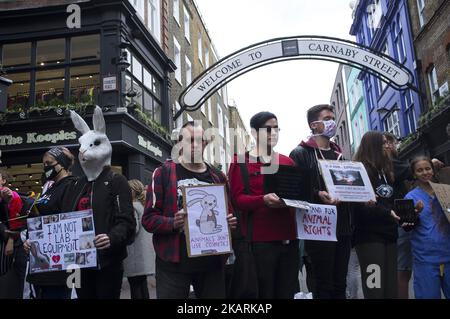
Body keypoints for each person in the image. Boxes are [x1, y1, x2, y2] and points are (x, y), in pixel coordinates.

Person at [142, 121, 237, 299]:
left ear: (206, 144)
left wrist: (230, 223)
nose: (194, 145)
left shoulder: (218, 177)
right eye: (189, 140)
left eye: (199, 140)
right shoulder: (163, 173)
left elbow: (228, 215)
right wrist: (172, 223)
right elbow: (148, 219)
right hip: (174, 263)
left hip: (211, 263)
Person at [60, 106, 136, 299]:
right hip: (78, 263)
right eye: (82, 147)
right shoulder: (76, 185)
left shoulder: (116, 181)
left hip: (106, 262)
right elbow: (64, 218)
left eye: (93, 144)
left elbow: (126, 221)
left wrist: (111, 238)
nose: (83, 151)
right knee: (80, 295)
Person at [229, 111, 300, 299]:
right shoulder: (240, 163)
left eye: (276, 129)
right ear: (254, 133)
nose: (273, 133)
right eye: (267, 129)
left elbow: (298, 196)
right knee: (263, 295)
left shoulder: (288, 162)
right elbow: (238, 200)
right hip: (259, 244)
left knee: (287, 293)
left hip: (289, 240)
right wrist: (263, 200)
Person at [290, 104, 352, 299]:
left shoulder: (340, 155)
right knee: (322, 284)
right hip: (319, 229)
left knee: (340, 282)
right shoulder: (300, 153)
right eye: (326, 119)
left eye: (332, 118)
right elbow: (295, 190)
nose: (332, 122)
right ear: (314, 125)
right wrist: (317, 194)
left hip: (342, 227)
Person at [23, 147, 77, 299]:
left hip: (63, 267)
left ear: (62, 164)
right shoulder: (49, 188)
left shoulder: (72, 185)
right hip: (42, 262)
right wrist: (30, 238)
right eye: (44, 164)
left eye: (49, 163)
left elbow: (67, 222)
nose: (45, 167)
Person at [353, 131, 401, 299]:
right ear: (373, 146)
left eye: (388, 142)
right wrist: (387, 212)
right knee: (375, 288)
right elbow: (361, 206)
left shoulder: (387, 171)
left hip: (389, 233)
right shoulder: (360, 171)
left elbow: (390, 200)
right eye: (383, 143)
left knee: (390, 289)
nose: (388, 146)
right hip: (369, 237)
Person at [404, 156, 450, 299]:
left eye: (427, 168)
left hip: (448, 256)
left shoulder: (445, 192)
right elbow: (407, 227)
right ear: (414, 174)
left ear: (433, 170)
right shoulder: (410, 197)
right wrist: (415, 212)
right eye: (420, 170)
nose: (425, 172)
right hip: (426, 260)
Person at [123, 179, 155, 299]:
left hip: (135, 255)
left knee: (135, 286)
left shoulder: (132, 207)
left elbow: (133, 229)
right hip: (144, 255)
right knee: (142, 286)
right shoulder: (144, 206)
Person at [0, 169, 26, 299]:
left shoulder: (10, 195)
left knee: (12, 282)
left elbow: (16, 222)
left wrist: (10, 239)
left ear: (3, 181)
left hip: (10, 245)